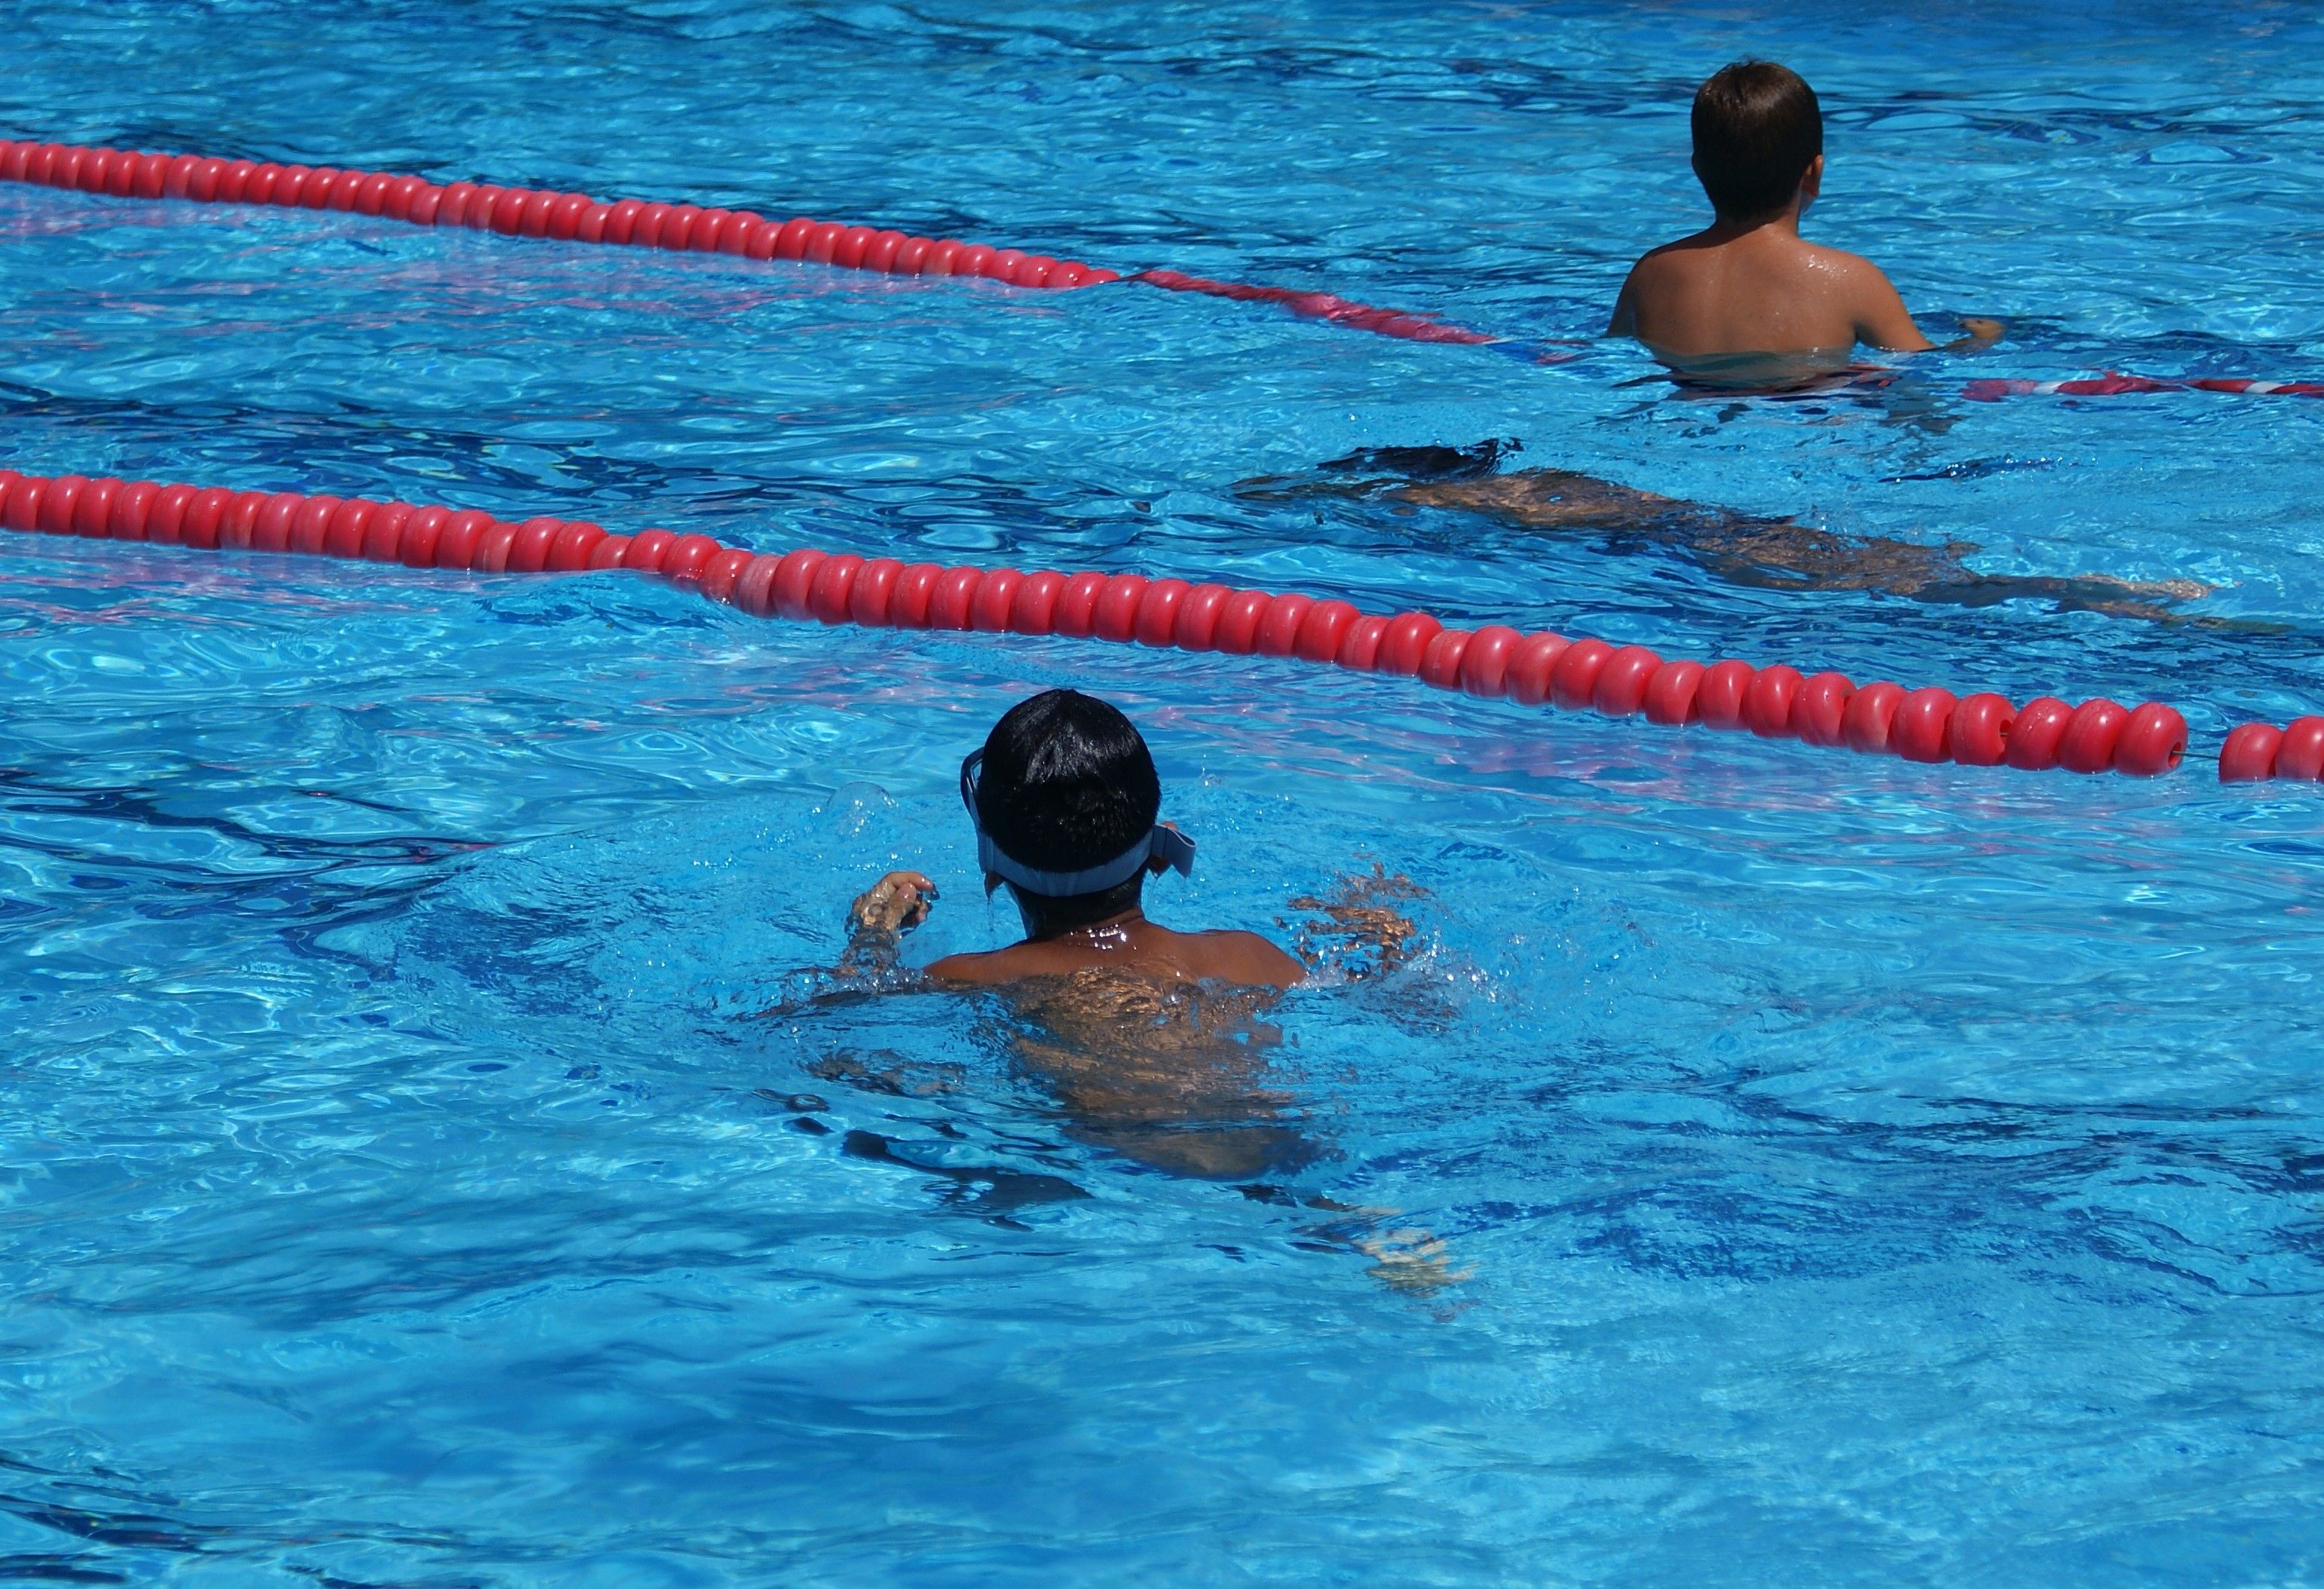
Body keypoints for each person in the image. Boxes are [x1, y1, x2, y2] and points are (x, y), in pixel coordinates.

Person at [1239, 441, 2212, 622]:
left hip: (1702, 549)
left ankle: (2110, 600)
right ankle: (2105, 596)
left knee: (1925, 590)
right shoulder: (1542, 478)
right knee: (1922, 582)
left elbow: (1409, 501)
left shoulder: (1496, 494)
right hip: (1708, 531)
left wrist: (1281, 500)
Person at [845, 687, 1305, 990]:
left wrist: (872, 938)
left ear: (992, 870)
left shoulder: (967, 979)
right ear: (1159, 855)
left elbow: (841, 1022)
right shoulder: (1254, 960)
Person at [1608, 60, 2001, 388]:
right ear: (1814, 173)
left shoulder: (1652, 272)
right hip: (1805, 416)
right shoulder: (1850, 279)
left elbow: (1612, 354)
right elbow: (1922, 365)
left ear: (1697, 170)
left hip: (1686, 411)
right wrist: (1980, 341)